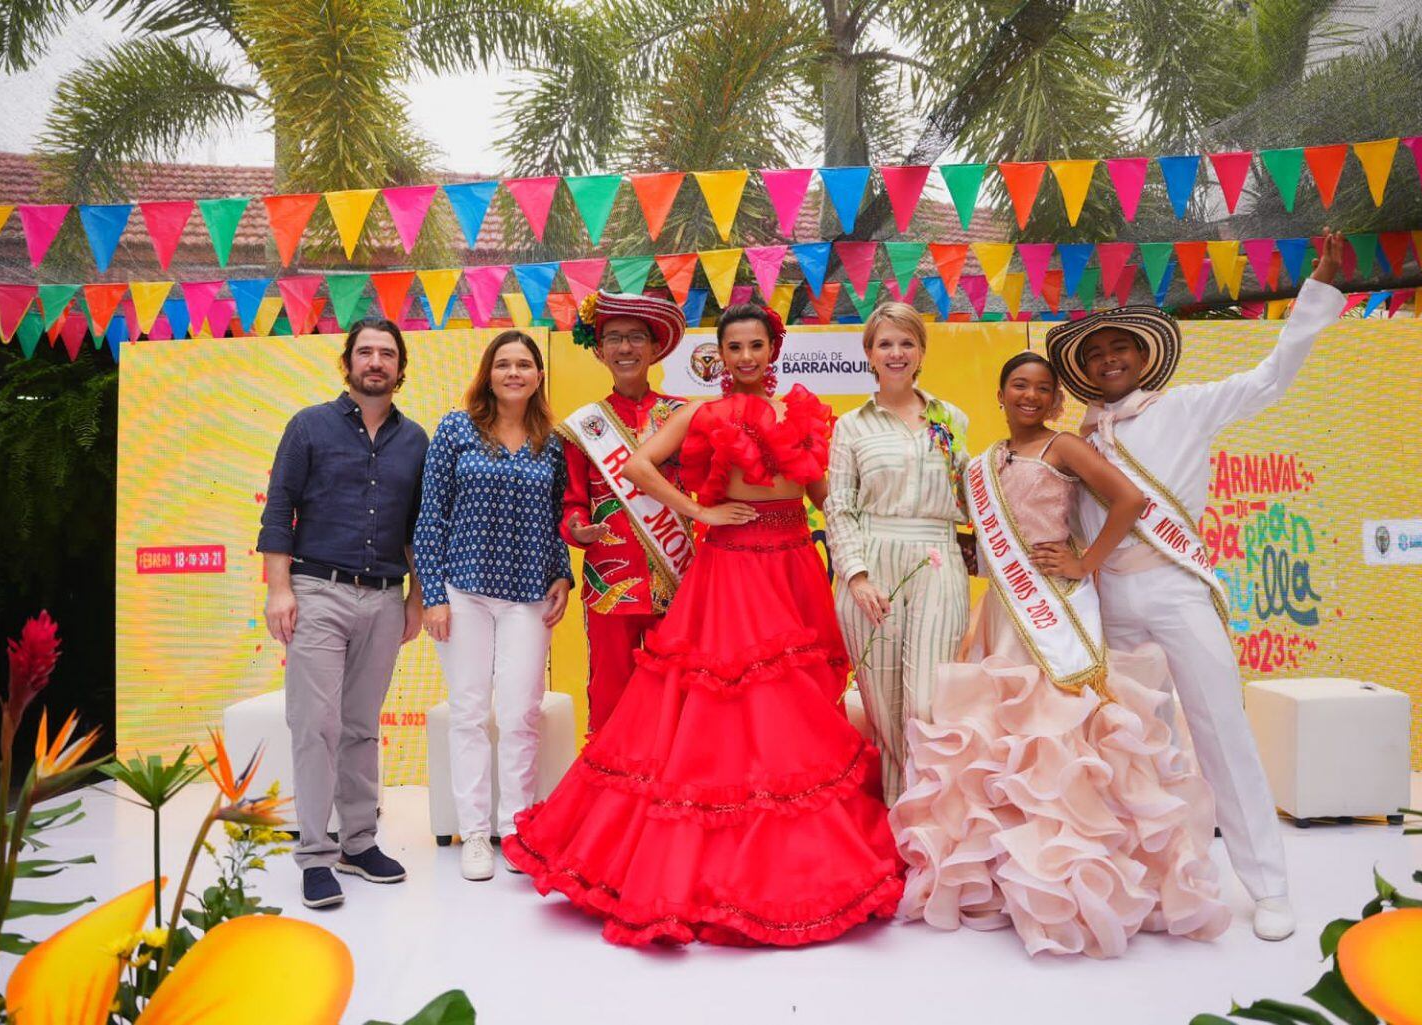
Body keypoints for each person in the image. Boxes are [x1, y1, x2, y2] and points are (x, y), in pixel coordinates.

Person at [502, 303, 902, 947]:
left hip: (794, 562)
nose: (746, 358)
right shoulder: (700, 412)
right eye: (734, 347)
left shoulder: (799, 413)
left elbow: (828, 496)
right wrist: (699, 512)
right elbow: (635, 467)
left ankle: (786, 858)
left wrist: (861, 549)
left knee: (792, 708)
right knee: (729, 707)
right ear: (720, 355)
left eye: (756, 346)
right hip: (731, 571)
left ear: (775, 349)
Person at [1044, 232, 1347, 941]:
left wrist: (1319, 290)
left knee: (1221, 730)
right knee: (1121, 742)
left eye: (1117, 347)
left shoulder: (1190, 408)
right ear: (1083, 372)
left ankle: (1268, 886)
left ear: (1143, 355)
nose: (1106, 358)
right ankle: (1135, 882)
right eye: (1092, 354)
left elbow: (1273, 375)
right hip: (1108, 604)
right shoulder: (1078, 440)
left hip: (1178, 590)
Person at [890, 352, 1230, 958]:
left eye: (1041, 389)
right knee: (1003, 737)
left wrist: (1085, 561)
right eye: (1018, 384)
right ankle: (1004, 876)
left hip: (1056, 605)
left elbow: (1128, 501)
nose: (1030, 395)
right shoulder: (984, 463)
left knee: (1056, 737)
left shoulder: (1066, 448)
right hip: (1004, 605)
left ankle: (1069, 876)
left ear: (1054, 400)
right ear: (1000, 394)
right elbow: (990, 535)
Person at [258, 317, 428, 910]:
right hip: (317, 591)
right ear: (348, 363)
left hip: (384, 597)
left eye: (386, 353)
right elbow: (279, 508)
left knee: (359, 725)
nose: (375, 361)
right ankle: (314, 853)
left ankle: (359, 842)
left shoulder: (416, 441)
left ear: (400, 368)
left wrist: (416, 597)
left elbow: (417, 529)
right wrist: (280, 590)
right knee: (315, 725)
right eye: (365, 352)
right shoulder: (309, 426)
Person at [413, 330, 573, 882]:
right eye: (503, 364)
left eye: (523, 364)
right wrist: (432, 595)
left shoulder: (551, 441)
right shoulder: (457, 429)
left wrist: (564, 574)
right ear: (488, 372)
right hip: (464, 591)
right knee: (468, 713)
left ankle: (518, 829)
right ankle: (477, 832)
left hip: (528, 595)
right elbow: (430, 516)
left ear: (537, 376)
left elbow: (558, 519)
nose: (513, 372)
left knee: (520, 714)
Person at [826, 302, 971, 804]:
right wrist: (857, 577)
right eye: (885, 343)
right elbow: (838, 507)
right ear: (869, 353)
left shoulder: (950, 418)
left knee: (926, 705)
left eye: (906, 343)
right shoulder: (851, 427)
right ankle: (899, 827)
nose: (896, 352)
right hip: (871, 567)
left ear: (921, 353)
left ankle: (931, 821)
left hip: (938, 558)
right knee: (884, 710)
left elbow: (971, 496)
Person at [557, 291, 692, 735]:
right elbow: (573, 502)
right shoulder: (583, 426)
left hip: (680, 577)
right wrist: (579, 529)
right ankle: (608, 789)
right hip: (610, 582)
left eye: (636, 337)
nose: (625, 348)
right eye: (614, 338)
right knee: (610, 690)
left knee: (678, 686)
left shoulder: (683, 414)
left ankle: (675, 785)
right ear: (598, 351)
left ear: (655, 349)